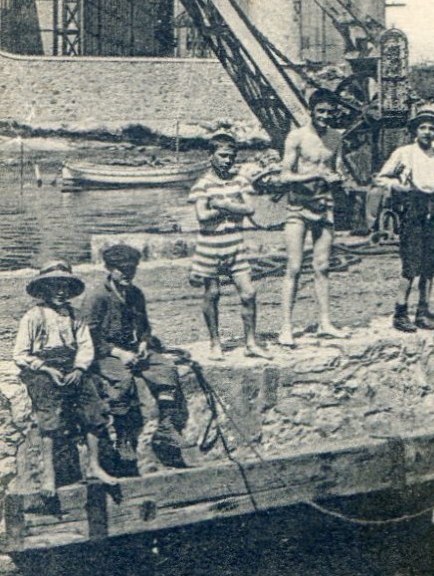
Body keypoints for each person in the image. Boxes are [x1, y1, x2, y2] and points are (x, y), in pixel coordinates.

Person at [82, 244, 189, 472]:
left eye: (132, 270)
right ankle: (122, 436)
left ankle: (166, 427)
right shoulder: (97, 297)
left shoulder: (135, 294)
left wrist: (142, 343)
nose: (127, 274)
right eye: (122, 270)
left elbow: (144, 327)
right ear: (109, 268)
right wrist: (117, 353)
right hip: (104, 353)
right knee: (122, 381)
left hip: (132, 349)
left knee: (166, 368)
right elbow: (88, 335)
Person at [12, 262, 121, 486]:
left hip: (71, 368)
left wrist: (80, 368)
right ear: (44, 290)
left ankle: (94, 465)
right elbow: (20, 354)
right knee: (49, 411)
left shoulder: (75, 315)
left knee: (92, 404)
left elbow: (85, 346)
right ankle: (49, 474)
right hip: (42, 369)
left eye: (64, 286)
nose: (60, 292)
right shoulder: (33, 316)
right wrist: (45, 368)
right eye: (54, 286)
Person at [273, 89, 349, 346]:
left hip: (324, 206)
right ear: (311, 111)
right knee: (294, 267)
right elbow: (285, 176)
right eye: (321, 112)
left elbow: (337, 170)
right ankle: (286, 327)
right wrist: (313, 177)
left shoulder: (337, 138)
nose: (325, 117)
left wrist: (338, 179)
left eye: (330, 112)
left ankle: (325, 322)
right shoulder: (297, 136)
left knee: (323, 266)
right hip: (297, 207)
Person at [188, 130, 268, 359]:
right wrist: (232, 206)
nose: (228, 160)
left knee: (249, 293)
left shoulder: (240, 181)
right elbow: (202, 216)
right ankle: (215, 343)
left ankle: (251, 342)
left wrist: (222, 204)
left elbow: (250, 208)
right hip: (209, 246)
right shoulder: (203, 184)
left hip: (234, 244)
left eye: (231, 156)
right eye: (223, 155)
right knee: (212, 293)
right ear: (210, 156)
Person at [375, 107, 434, 332]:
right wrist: (396, 185)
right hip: (413, 209)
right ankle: (400, 312)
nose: (427, 132)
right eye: (423, 127)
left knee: (430, 264)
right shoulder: (404, 153)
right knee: (411, 264)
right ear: (415, 131)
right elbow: (381, 177)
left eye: (432, 128)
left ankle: (423, 311)